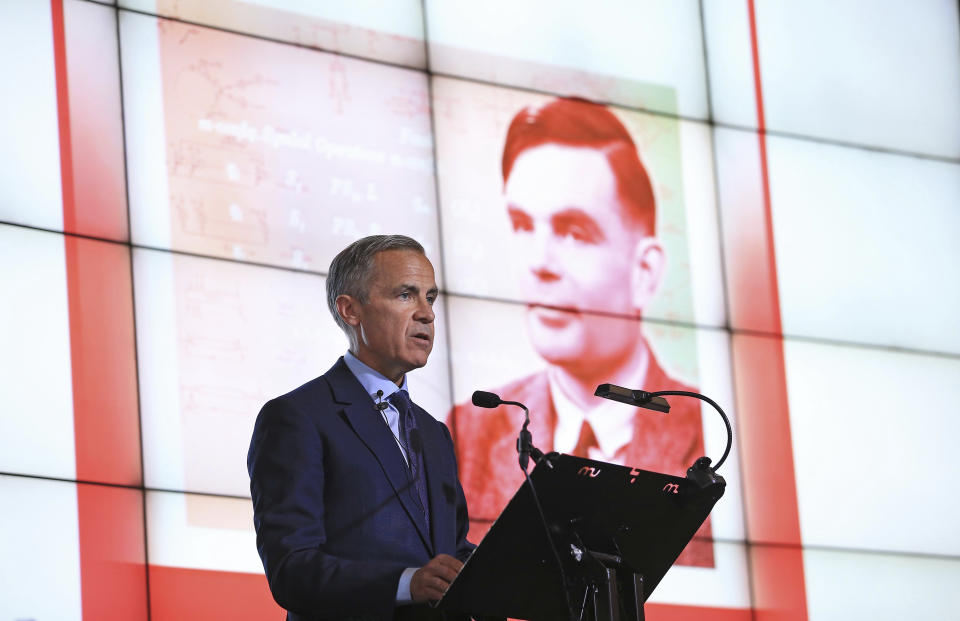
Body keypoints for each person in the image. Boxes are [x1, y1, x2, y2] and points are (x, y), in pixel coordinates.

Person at [447, 98, 713, 566]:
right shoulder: (467, 433)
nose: (538, 263)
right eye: (522, 225)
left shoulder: (709, 434)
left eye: (573, 231)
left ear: (645, 272)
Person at [248, 235, 474, 620]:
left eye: (430, 297)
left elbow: (453, 551)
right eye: (406, 295)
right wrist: (407, 584)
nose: (427, 314)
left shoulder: (433, 432)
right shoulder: (297, 417)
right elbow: (292, 568)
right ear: (351, 310)